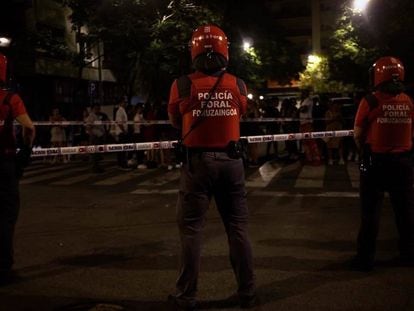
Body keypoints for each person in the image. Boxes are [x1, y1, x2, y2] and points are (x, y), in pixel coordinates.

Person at [168, 24, 256, 310]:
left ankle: (186, 296)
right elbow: (241, 112)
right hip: (232, 163)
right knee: (238, 228)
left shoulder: (181, 85)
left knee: (192, 230)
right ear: (225, 50)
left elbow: (175, 122)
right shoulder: (238, 84)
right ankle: (247, 293)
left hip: (197, 165)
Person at [352, 56, 414, 271]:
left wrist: (363, 154)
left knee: (370, 212)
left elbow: (358, 134)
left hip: (374, 162)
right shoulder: (408, 101)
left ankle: (365, 258)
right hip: (404, 162)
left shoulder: (370, 100)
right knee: (405, 212)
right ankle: (408, 254)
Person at [0, 52, 36, 285]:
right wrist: (25, 152)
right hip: (3, 165)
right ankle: (3, 269)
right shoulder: (9, 98)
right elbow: (29, 128)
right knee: (5, 217)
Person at [299, 89, 321, 165]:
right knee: (305, 143)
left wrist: (300, 109)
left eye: (303, 92)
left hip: (307, 123)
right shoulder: (304, 101)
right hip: (303, 123)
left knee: (311, 142)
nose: (301, 94)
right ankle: (309, 159)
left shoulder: (308, 100)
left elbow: (303, 110)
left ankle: (316, 159)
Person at [86, 104, 108, 173]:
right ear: (92, 109)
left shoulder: (98, 116)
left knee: (98, 154)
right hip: (95, 137)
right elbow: (88, 127)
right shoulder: (91, 116)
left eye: (98, 108)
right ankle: (95, 168)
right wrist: (92, 135)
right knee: (95, 154)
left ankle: (97, 167)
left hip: (99, 136)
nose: (98, 110)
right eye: (96, 108)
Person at [325, 100, 344, 165]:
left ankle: (341, 159)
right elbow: (326, 122)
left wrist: (340, 118)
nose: (335, 107)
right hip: (329, 130)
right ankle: (330, 159)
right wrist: (334, 118)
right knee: (329, 146)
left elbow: (343, 122)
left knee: (340, 145)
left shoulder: (340, 113)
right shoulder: (328, 112)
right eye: (334, 106)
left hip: (339, 130)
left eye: (337, 106)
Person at [114, 98, 130, 170]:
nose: (125, 103)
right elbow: (119, 123)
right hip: (121, 133)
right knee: (122, 150)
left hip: (123, 132)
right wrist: (124, 131)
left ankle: (121, 164)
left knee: (123, 149)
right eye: (124, 102)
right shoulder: (119, 111)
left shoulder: (123, 110)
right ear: (120, 103)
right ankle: (122, 165)